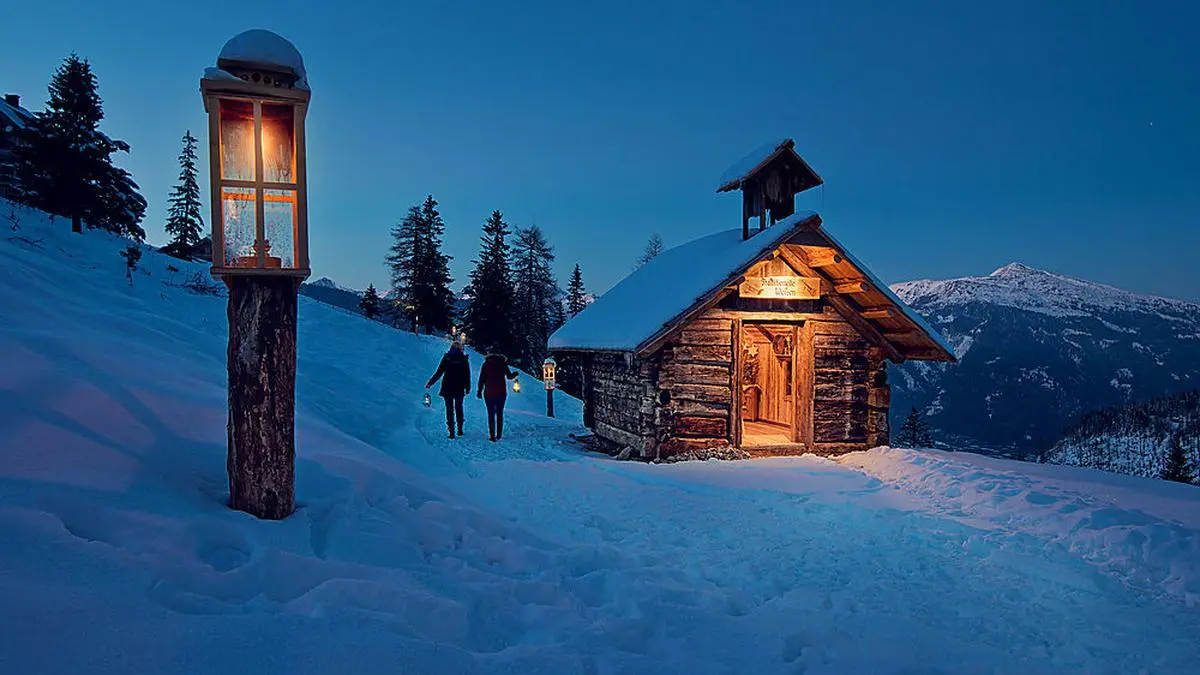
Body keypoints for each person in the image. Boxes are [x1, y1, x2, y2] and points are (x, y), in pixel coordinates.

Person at [426, 342, 470, 439]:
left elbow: (439, 372)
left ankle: (451, 431)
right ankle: (460, 429)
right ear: (461, 349)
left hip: (447, 386)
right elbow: (467, 374)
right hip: (459, 386)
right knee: (459, 407)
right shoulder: (463, 359)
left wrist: (430, 382)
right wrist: (468, 387)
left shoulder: (447, 358)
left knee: (449, 409)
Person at [477, 353, 519, 442]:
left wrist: (479, 391)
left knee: (491, 414)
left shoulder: (486, 364)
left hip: (489, 392)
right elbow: (509, 376)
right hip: (501, 392)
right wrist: (515, 374)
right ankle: (499, 435)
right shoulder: (503, 364)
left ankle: (492, 436)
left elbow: (482, 378)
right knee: (500, 413)